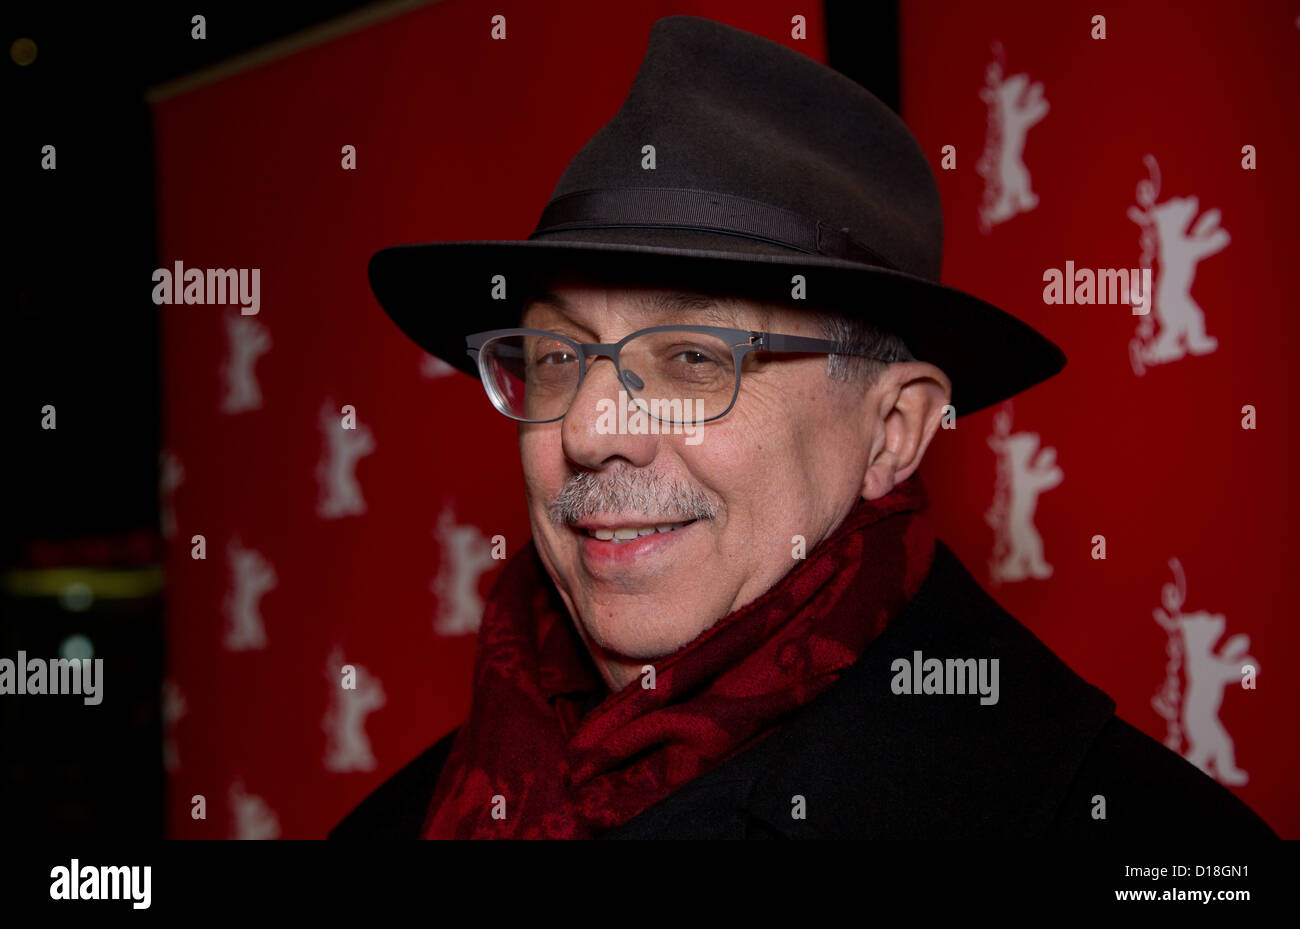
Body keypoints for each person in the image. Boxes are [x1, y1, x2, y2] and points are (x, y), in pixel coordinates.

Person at [332, 15, 1275, 839]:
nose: (589, 428)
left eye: (693, 357)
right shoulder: (403, 821)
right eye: (554, 356)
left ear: (893, 429)